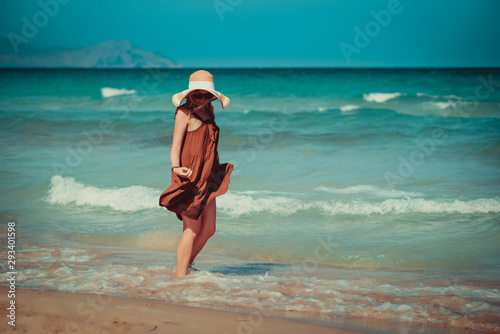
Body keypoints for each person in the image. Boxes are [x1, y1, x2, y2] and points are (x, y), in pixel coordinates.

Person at [159, 70, 234, 277]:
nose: (202, 99)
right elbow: (175, 148)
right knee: (191, 229)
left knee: (209, 229)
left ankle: (187, 265)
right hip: (190, 176)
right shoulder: (184, 113)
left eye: (207, 95)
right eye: (197, 95)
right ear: (189, 95)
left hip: (208, 175)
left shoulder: (209, 111)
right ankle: (180, 277)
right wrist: (176, 168)